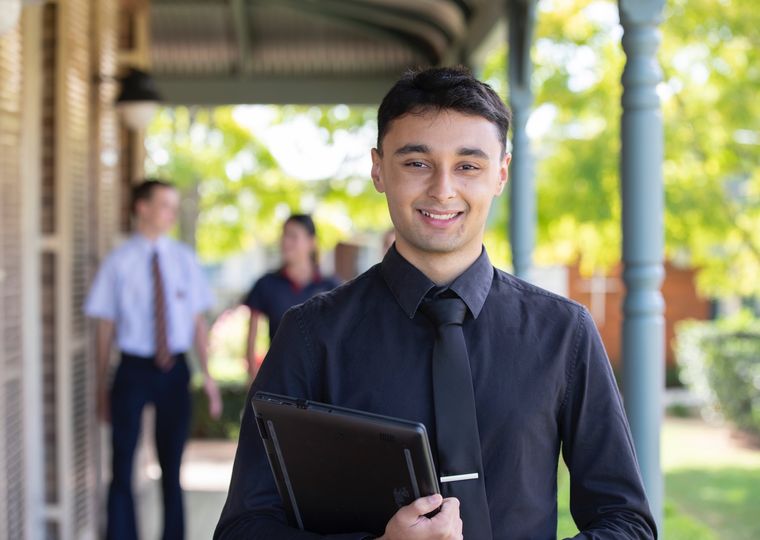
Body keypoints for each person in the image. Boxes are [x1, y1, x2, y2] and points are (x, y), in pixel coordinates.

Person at [215, 67, 656, 539]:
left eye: (469, 165)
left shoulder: (564, 333)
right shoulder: (310, 334)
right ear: (378, 169)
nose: (443, 189)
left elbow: (626, 521)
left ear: (501, 174)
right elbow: (244, 526)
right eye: (417, 163)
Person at [85, 179, 223, 540]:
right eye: (164, 205)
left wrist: (207, 378)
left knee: (171, 466)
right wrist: (101, 385)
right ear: (141, 208)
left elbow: (197, 324)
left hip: (175, 369)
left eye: (174, 206)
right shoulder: (118, 262)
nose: (172, 213)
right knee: (122, 464)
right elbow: (104, 328)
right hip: (132, 369)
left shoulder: (183, 260)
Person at [242, 214, 340, 380]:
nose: (285, 242)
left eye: (293, 236)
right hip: (280, 380)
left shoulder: (332, 287)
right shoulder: (266, 284)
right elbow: (251, 341)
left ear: (311, 242)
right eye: (284, 235)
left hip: (321, 382)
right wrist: (253, 381)